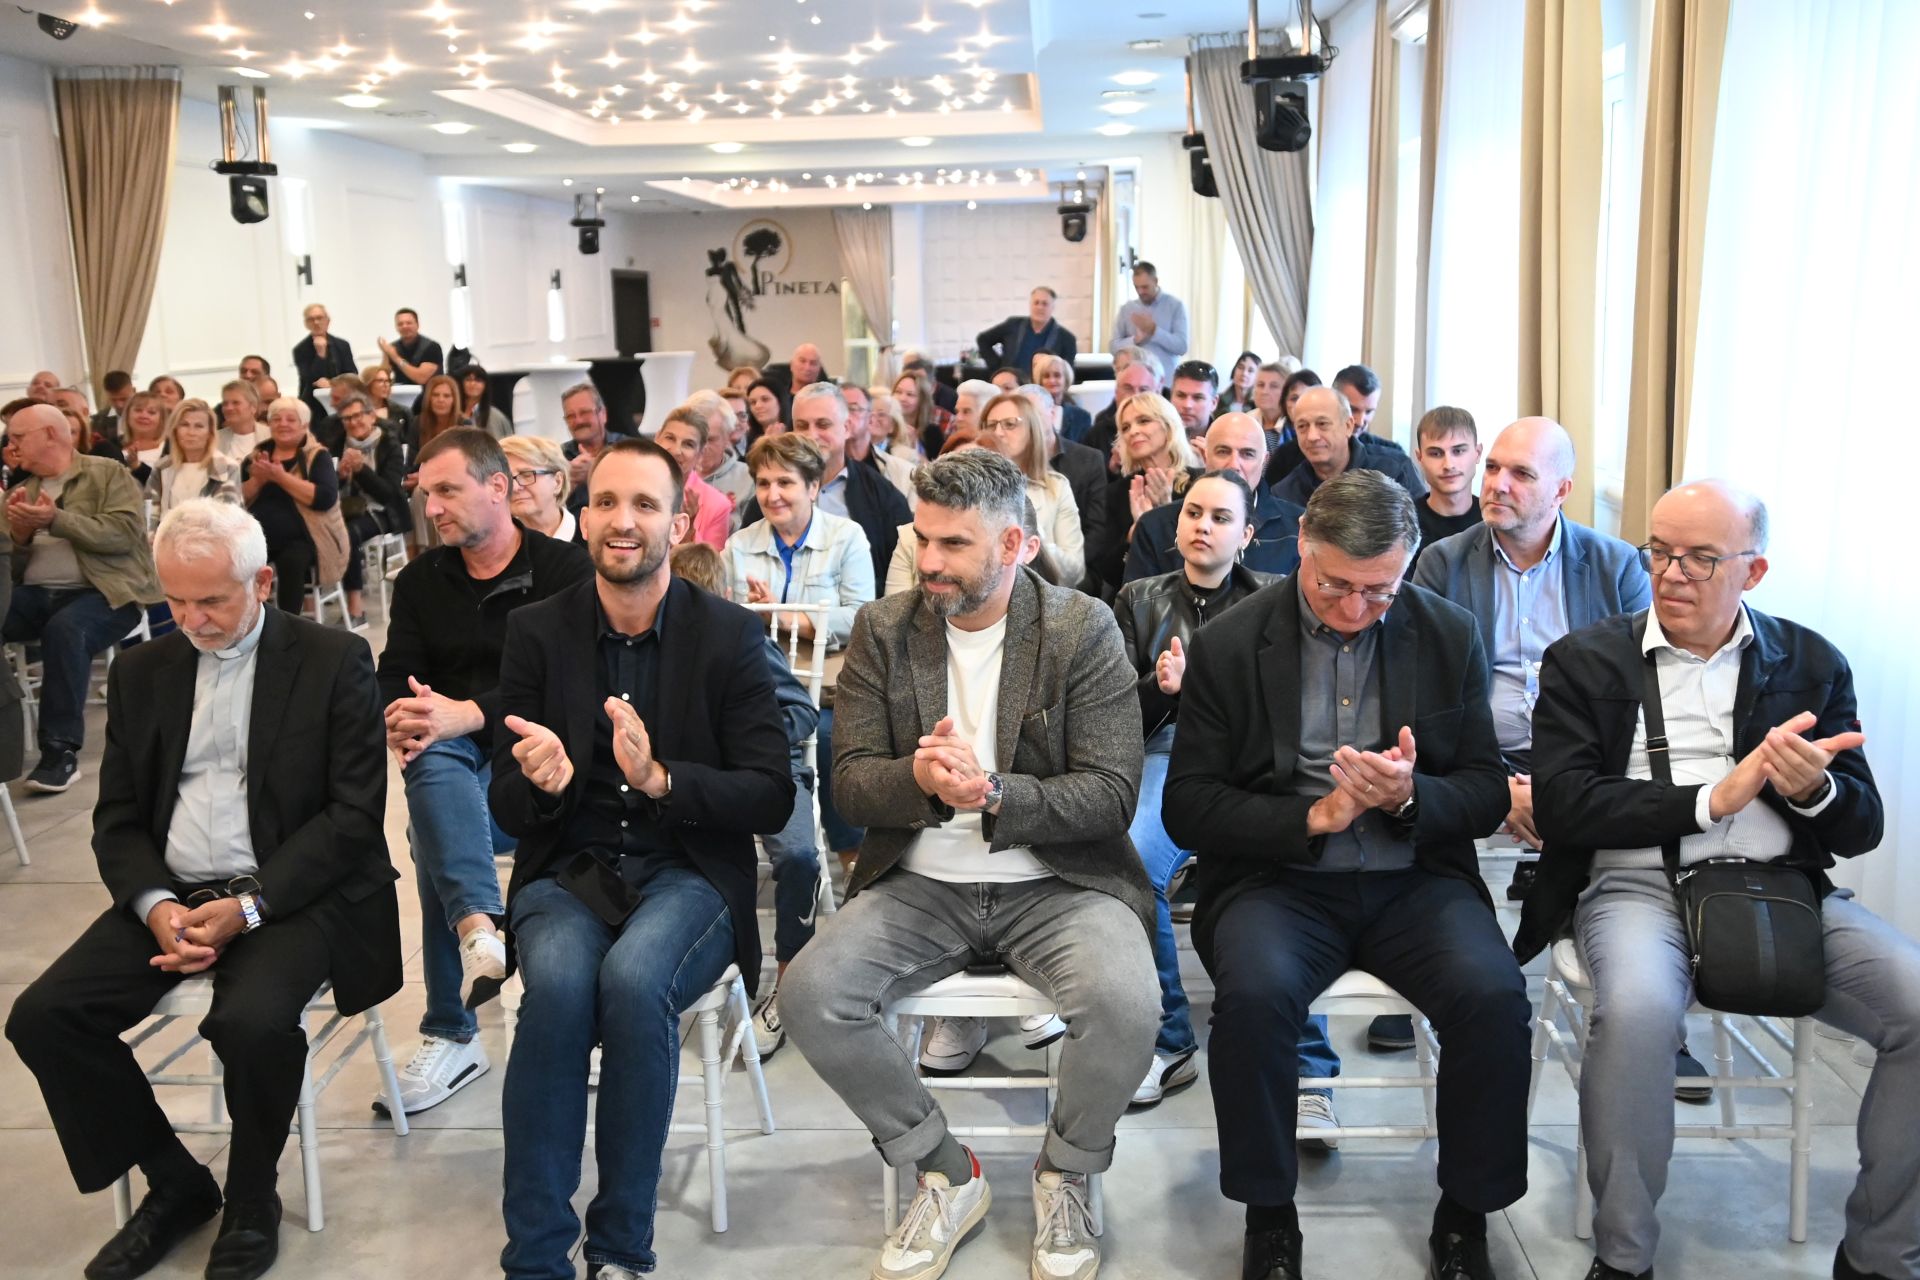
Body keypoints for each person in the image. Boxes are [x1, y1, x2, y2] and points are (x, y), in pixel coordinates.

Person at [1518, 481, 1915, 1280]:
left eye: (1700, 558)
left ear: (1753, 571)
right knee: (1637, 1014)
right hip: (1635, 887)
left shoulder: (1809, 661)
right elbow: (1563, 806)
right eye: (1659, 552)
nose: (1672, 574)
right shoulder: (1586, 659)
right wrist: (1710, 800)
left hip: (1778, 889)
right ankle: (1624, 1257)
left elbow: (1861, 825)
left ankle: (1882, 1256)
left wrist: (1816, 791)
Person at [780, 448, 1159, 1280]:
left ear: (1015, 544)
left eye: (954, 544)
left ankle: (1067, 1171)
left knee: (1130, 1006)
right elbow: (850, 783)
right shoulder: (886, 629)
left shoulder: (1081, 627)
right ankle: (946, 1170)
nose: (931, 562)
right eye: (924, 539)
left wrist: (994, 793)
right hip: (922, 883)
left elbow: (1110, 795)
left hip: (1058, 882)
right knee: (809, 994)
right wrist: (920, 780)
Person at [3, 500, 399, 1280]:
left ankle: (250, 1196)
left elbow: (353, 817)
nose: (192, 620)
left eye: (211, 601)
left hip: (295, 892)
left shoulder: (331, 658)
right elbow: (119, 816)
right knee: (44, 1018)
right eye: (176, 601)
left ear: (263, 582)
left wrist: (248, 906)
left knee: (251, 1022)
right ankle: (176, 1182)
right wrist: (156, 906)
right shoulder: (146, 669)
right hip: (176, 890)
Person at [1164, 470, 1529, 1280]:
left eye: (1380, 590)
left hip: (1415, 880)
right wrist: (1313, 817)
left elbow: (1483, 790)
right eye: (1336, 585)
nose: (1357, 607)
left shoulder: (1447, 633)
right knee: (1254, 1001)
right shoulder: (1231, 642)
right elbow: (1188, 807)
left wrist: (1410, 796)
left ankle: (1465, 1215)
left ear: (1407, 568)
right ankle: (1270, 1216)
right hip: (1278, 882)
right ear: (1301, 543)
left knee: (1494, 997)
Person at [489, 438, 792, 1280]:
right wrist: (544, 786)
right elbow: (506, 808)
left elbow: (772, 794)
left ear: (679, 524)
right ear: (583, 517)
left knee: (632, 982)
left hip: (689, 873)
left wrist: (663, 780)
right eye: (607, 503)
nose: (623, 521)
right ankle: (536, 1259)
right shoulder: (536, 632)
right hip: (570, 871)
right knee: (557, 988)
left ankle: (620, 1247)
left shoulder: (727, 635)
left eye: (645, 505)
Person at [378, 428, 592, 1115]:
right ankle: (479, 933)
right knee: (433, 765)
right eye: (426, 494)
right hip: (453, 764)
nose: (432, 508)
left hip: (542, 763)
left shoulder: (564, 570)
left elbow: (570, 687)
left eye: (447, 490)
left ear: (497, 487)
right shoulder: (421, 581)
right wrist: (403, 716)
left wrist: (468, 712)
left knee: (432, 834)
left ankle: (455, 1022)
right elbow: (394, 675)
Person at [1412, 417, 1649, 912]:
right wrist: (1499, 788)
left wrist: (1564, 786)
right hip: (1480, 764)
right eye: (1493, 468)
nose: (1497, 484)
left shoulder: (1616, 566)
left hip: (1585, 767)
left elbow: (1640, 691)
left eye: (1521, 474)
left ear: (1561, 490)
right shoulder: (1442, 563)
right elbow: (1426, 696)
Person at [1114, 468, 1274, 1107]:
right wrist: (1162, 690)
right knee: (1133, 863)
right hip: (1166, 754)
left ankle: (1304, 1059)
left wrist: (1205, 690)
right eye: (1193, 513)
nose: (1203, 526)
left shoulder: (1273, 598)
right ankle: (1170, 1038)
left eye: (1221, 517)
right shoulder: (1138, 599)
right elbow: (1113, 717)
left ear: (1247, 535)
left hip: (1250, 760)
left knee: (1297, 866)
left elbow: (1284, 707)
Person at [722, 431, 876, 1043]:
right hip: (755, 691)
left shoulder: (846, 537)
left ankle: (855, 859)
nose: (772, 494)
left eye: (786, 482)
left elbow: (862, 616)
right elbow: (727, 619)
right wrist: (765, 622)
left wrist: (787, 617)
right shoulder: (741, 545)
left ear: (815, 487)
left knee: (835, 735)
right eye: (763, 483)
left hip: (832, 686)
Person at [670, 539, 823, 1057]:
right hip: (701, 781)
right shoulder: (656, 648)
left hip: (771, 772)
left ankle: (788, 986)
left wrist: (750, 738)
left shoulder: (744, 638)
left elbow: (802, 710)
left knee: (799, 856)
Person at [2, 403, 161, 792]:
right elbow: (10, 565)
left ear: (50, 435)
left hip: (106, 593)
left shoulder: (107, 472)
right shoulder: (22, 490)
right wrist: (19, 538)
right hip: (35, 593)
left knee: (65, 629)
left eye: (18, 436)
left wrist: (55, 520)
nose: (10, 445)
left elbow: (124, 535)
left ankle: (59, 752)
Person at [737, 382, 910, 589]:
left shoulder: (882, 495)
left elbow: (899, 576)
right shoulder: (771, 497)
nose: (812, 435)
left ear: (846, 428)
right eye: (802, 426)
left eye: (823, 425)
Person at [1124, 411, 1304, 584]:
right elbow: (1138, 600)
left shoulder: (1298, 528)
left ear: (1264, 461)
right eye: (1223, 452)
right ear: (1205, 455)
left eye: (1247, 454)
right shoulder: (1155, 526)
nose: (1234, 464)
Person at [240, 396, 350, 615]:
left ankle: (289, 623)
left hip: (307, 535)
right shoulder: (256, 456)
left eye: (291, 419)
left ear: (304, 425)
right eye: (276, 419)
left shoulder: (317, 456)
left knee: (291, 561)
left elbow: (324, 499)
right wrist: (259, 480)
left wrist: (281, 477)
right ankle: (247, 618)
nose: (283, 424)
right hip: (259, 534)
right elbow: (238, 500)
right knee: (237, 560)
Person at [1092, 390, 1200, 591]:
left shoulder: (1199, 483)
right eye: (1125, 427)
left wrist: (1164, 514)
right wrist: (1134, 535)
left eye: (1143, 421)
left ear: (1168, 426)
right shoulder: (1118, 492)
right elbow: (1109, 573)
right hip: (1137, 597)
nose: (1133, 431)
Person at [976, 391, 1085, 586]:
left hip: (1042, 593)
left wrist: (1032, 535)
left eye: (1010, 424)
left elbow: (1075, 572)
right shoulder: (971, 484)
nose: (998, 432)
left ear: (1031, 431)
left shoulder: (1056, 487)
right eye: (991, 425)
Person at [1270, 386, 1428, 508]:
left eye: (1322, 424)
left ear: (1348, 426)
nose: (1312, 436)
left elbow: (1420, 533)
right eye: (1302, 426)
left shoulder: (1394, 470)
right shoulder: (1285, 494)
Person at [334, 390, 408, 625]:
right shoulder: (337, 444)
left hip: (384, 512)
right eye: (347, 418)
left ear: (371, 416)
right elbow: (328, 489)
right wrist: (341, 477)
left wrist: (361, 470)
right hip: (344, 510)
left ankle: (355, 607)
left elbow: (388, 493)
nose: (353, 422)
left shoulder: (389, 445)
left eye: (358, 416)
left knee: (348, 534)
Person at [1411, 406, 1485, 568]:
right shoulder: (1403, 524)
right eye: (1436, 453)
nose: (1448, 465)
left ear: (1478, 453)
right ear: (1420, 457)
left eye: (1458, 451)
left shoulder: (1495, 522)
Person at [652, 406, 735, 550]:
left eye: (688, 444)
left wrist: (689, 530)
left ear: (700, 454)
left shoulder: (717, 505)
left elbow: (708, 564)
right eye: (670, 438)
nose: (676, 451)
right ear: (657, 438)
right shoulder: (631, 484)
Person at [147, 398, 242, 517]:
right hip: (166, 529)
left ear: (210, 433)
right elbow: (149, 515)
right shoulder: (161, 467)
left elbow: (226, 517)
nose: (191, 432)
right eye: (184, 425)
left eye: (199, 426)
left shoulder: (226, 467)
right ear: (175, 430)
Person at [1082, 348, 1165, 467]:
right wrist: (1112, 469)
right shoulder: (1098, 434)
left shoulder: (1171, 429)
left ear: (1157, 392)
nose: (1135, 397)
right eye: (1128, 389)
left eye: (1143, 390)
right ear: (1116, 393)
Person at [560, 382, 630, 516]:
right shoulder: (558, 456)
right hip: (574, 526)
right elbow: (545, 506)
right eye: (570, 416)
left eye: (585, 412)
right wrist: (568, 482)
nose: (578, 421)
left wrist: (596, 471)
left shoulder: (629, 448)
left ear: (603, 414)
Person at [841, 380, 917, 505]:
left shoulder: (904, 468)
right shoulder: (826, 463)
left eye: (853, 409)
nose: (846, 417)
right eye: (841, 410)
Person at [977, 284, 1080, 374]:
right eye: (1036, 302)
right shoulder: (1013, 325)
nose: (1039, 307)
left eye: (1045, 304)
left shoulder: (1067, 339)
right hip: (1011, 386)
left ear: (1053, 307)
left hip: (1043, 388)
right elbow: (983, 339)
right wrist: (997, 368)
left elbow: (1067, 375)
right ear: (1030, 305)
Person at [683, 389, 754, 517]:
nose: (702, 447)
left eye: (710, 440)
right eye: (695, 439)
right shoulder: (672, 475)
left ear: (727, 437)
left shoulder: (748, 478)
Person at [500, 434, 578, 543]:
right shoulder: (499, 544)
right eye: (507, 479)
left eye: (526, 475)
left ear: (557, 482)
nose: (515, 488)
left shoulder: (588, 533)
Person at [291, 302, 356, 425]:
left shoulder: (342, 345)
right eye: (311, 319)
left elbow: (352, 374)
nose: (316, 322)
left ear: (328, 320)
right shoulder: (300, 349)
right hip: (313, 404)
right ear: (306, 324)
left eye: (319, 318)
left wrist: (333, 384)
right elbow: (308, 378)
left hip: (343, 400)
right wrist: (320, 355)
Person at [1033, 351, 1093, 444]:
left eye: (1057, 375)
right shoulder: (1031, 413)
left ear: (1066, 379)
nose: (1052, 380)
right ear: (1040, 381)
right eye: (1046, 376)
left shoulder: (1081, 417)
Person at [895, 368, 952, 460]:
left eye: (910, 394)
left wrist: (914, 446)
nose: (902, 398)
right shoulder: (885, 427)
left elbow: (938, 466)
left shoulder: (932, 433)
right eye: (898, 392)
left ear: (922, 400)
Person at [377, 307, 443, 386]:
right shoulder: (393, 348)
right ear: (396, 327)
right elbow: (383, 376)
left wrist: (396, 358)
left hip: (429, 391)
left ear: (417, 325)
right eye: (400, 324)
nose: (404, 326)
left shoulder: (432, 347)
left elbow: (421, 378)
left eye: (409, 323)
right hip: (401, 391)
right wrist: (386, 353)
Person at [361, 363, 414, 455]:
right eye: (380, 381)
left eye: (388, 381)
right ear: (368, 383)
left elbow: (410, 442)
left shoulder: (403, 412)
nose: (386, 385)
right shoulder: (357, 413)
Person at [120, 390, 169, 484]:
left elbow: (165, 485)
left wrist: (137, 467)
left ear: (161, 419)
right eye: (138, 410)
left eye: (151, 412)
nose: (144, 416)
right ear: (127, 415)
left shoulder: (170, 448)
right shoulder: (113, 445)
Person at [1168, 359, 1222, 443]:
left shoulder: (1226, 442)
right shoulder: (1154, 438)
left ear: (1214, 403)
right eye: (1181, 395)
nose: (1187, 405)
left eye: (1198, 398)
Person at [459, 363, 512, 438]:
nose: (473, 383)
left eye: (478, 380)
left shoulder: (494, 416)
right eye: (468, 379)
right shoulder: (453, 411)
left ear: (485, 386)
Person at [217, 380, 262, 460]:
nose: (229, 408)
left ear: (253, 407)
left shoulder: (270, 436)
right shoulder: (214, 440)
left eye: (236, 403)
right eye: (225, 404)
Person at [92, 369, 135, 445]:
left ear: (134, 391)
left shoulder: (149, 416)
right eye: (113, 400)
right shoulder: (98, 420)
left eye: (124, 399)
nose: (119, 405)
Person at [744, 376, 789, 444]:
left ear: (780, 401)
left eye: (765, 399)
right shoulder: (746, 440)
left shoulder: (796, 433)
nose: (758, 406)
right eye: (753, 402)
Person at [1216, 351, 1261, 418]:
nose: (1244, 374)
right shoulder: (1218, 401)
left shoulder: (1259, 405)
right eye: (1241, 367)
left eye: (1250, 370)